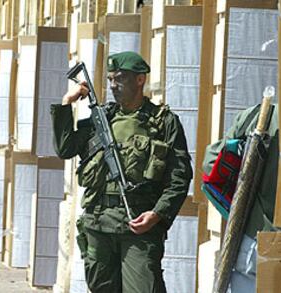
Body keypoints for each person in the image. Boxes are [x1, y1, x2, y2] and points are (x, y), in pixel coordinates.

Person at [50, 51, 193, 293]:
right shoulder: (102, 118)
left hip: (138, 225)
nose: (114, 86)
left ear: (140, 80)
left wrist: (157, 214)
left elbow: (179, 178)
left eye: (120, 79)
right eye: (110, 80)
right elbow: (66, 149)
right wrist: (67, 103)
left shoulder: (163, 122)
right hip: (98, 224)